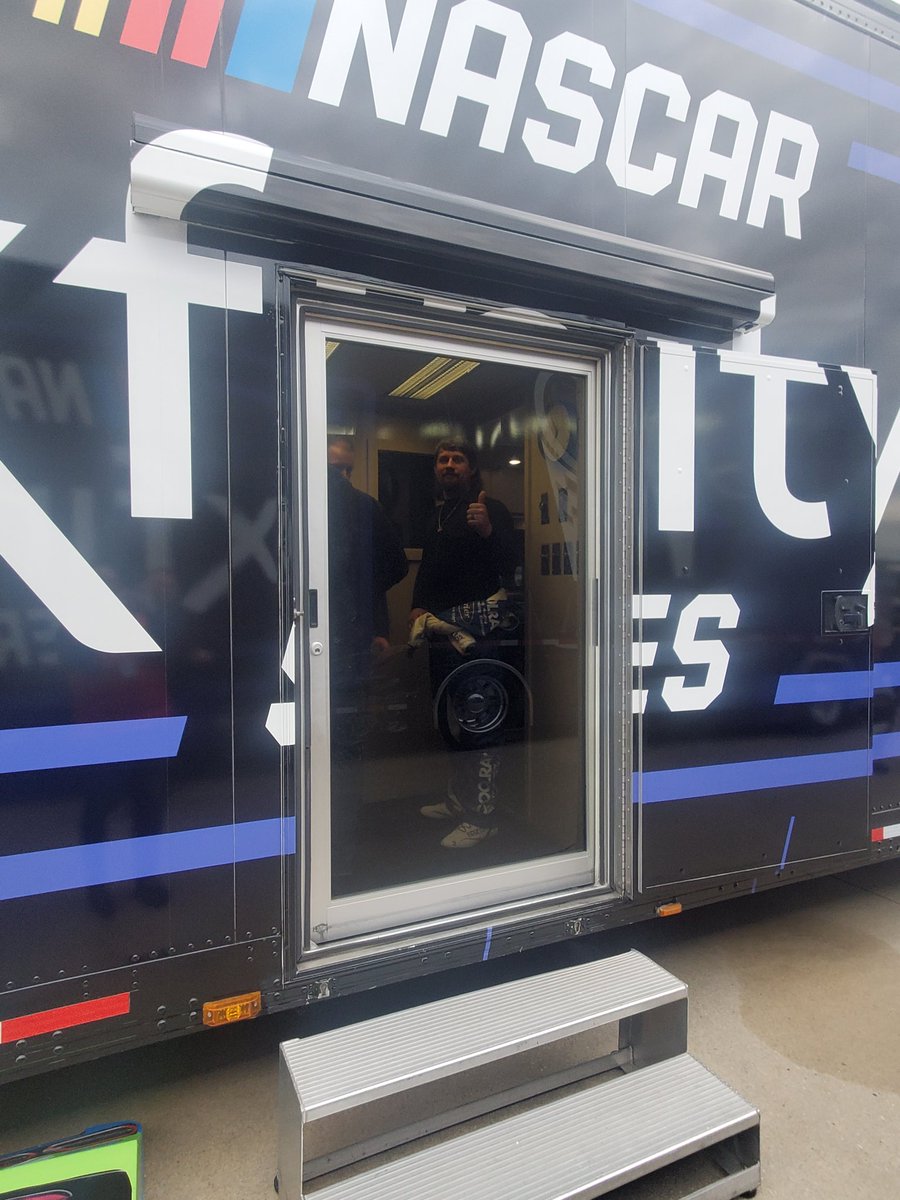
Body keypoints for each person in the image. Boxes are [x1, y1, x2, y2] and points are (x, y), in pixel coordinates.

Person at [409, 440, 518, 849]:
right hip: (440, 632)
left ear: (471, 469)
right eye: (443, 460)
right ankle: (459, 801)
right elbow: (430, 569)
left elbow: (511, 565)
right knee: (448, 722)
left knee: (480, 722)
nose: (449, 465)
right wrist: (417, 604)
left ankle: (483, 817)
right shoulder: (439, 512)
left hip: (479, 637)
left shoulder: (492, 509)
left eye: (457, 460)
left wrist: (488, 530)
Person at [327, 436, 408, 860]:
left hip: (348, 639)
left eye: (343, 470)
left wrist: (367, 610)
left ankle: (340, 841)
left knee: (342, 741)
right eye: (333, 469)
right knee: (334, 741)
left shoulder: (362, 508)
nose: (338, 478)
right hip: (334, 637)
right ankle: (337, 840)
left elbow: (392, 565)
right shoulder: (353, 506)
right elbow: (393, 567)